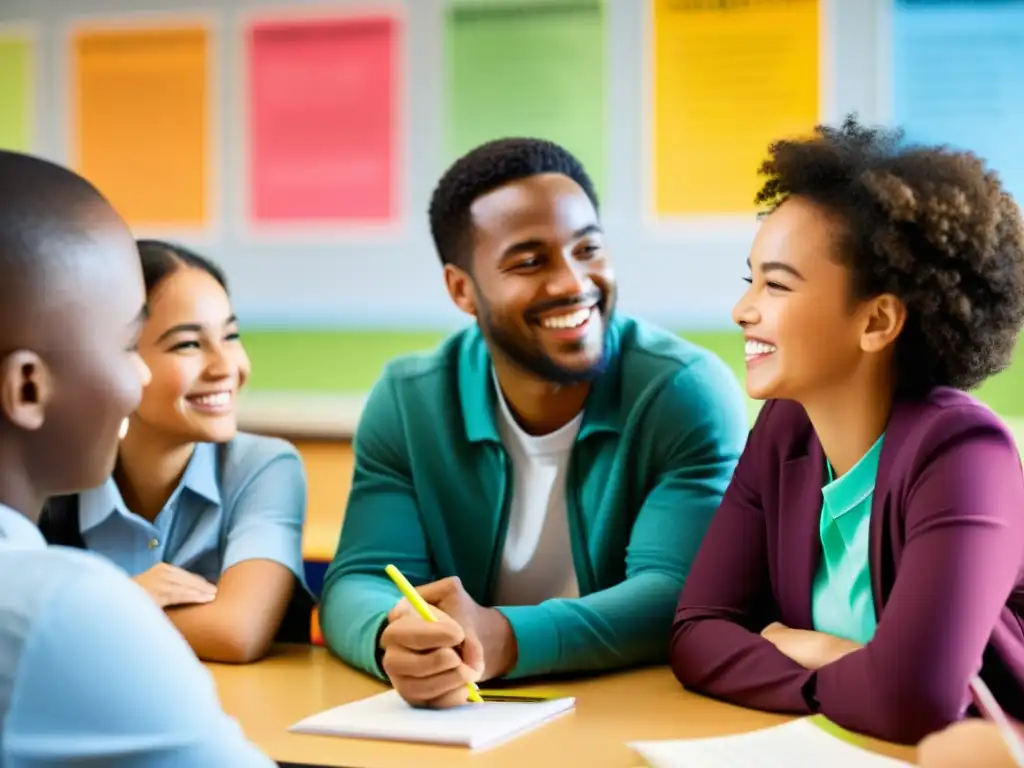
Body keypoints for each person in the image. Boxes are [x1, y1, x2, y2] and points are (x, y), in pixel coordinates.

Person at [319, 137, 748, 708]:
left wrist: (506, 638)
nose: (573, 282)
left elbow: (675, 593)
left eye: (587, 249)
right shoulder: (408, 402)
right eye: (529, 261)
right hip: (465, 723)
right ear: (462, 290)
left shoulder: (682, 391)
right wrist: (390, 637)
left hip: (626, 714)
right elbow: (359, 578)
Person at [669, 115, 1024, 745]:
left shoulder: (966, 454)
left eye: (775, 284)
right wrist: (845, 674)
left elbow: (917, 699)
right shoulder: (785, 430)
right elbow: (698, 633)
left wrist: (820, 651)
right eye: (749, 279)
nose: (743, 309)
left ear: (877, 321)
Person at [0, 150, 272, 764]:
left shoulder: (258, 466)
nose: (134, 380)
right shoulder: (63, 610)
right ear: (27, 389)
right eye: (129, 345)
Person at [39, 240, 312, 663]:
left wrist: (92, 611)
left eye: (231, 336)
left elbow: (235, 633)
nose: (226, 367)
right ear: (112, 359)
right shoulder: (46, 478)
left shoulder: (263, 467)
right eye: (187, 344)